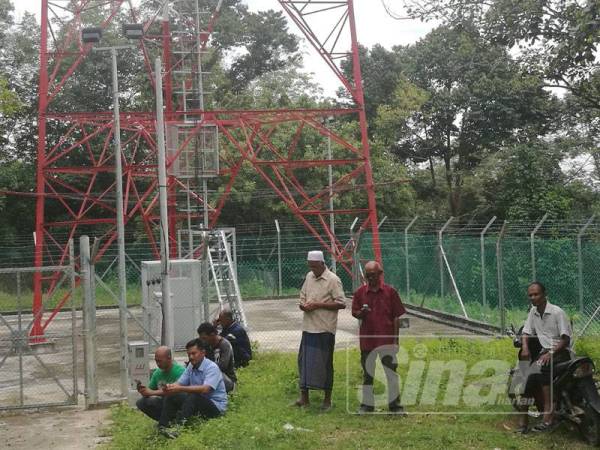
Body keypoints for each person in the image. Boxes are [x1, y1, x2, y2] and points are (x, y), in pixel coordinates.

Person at [516, 281, 572, 433]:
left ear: (544, 295)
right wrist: (525, 348)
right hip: (544, 352)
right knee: (526, 376)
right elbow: (526, 332)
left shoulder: (556, 312)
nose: (533, 297)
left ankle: (548, 417)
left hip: (561, 352)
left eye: (536, 294)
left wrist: (551, 353)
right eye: (530, 295)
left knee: (542, 367)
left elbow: (565, 339)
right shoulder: (533, 312)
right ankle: (523, 420)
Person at [351, 261, 406, 414]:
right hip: (368, 340)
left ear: (380, 274)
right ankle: (367, 405)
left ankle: (395, 406)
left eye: (373, 275)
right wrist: (361, 313)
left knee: (391, 373)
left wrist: (396, 340)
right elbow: (354, 312)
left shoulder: (390, 292)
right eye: (367, 276)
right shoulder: (360, 293)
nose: (370, 279)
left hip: (386, 340)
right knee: (368, 374)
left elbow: (396, 317)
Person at [294, 250, 346, 411]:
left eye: (315, 266)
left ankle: (327, 400)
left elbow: (342, 303)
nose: (313, 270)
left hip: (324, 328)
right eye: (310, 266)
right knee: (304, 362)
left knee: (324, 364)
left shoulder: (333, 280)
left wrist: (318, 305)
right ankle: (304, 398)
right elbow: (302, 296)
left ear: (322, 264)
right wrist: (303, 305)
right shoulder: (309, 277)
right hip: (309, 327)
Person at [158, 339, 227, 437]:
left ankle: (178, 429)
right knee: (173, 394)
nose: (191, 357)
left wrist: (180, 389)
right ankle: (162, 427)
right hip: (199, 403)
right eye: (189, 354)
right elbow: (179, 383)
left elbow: (205, 389)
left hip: (215, 407)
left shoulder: (212, 367)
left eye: (194, 353)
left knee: (193, 397)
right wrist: (170, 387)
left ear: (203, 353)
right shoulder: (191, 365)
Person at [136, 346, 186, 421]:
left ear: (169, 358)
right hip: (163, 402)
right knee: (142, 402)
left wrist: (151, 392)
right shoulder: (157, 373)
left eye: (160, 361)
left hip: (178, 404)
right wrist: (144, 391)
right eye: (156, 361)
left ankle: (171, 422)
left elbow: (176, 391)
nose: (158, 364)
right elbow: (150, 390)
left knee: (170, 398)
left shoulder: (180, 371)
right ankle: (165, 422)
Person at [197, 322, 237, 392]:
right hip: (210, 375)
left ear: (212, 335)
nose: (202, 341)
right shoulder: (206, 345)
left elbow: (222, 366)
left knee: (214, 373)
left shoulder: (225, 345)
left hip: (226, 378)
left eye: (204, 338)